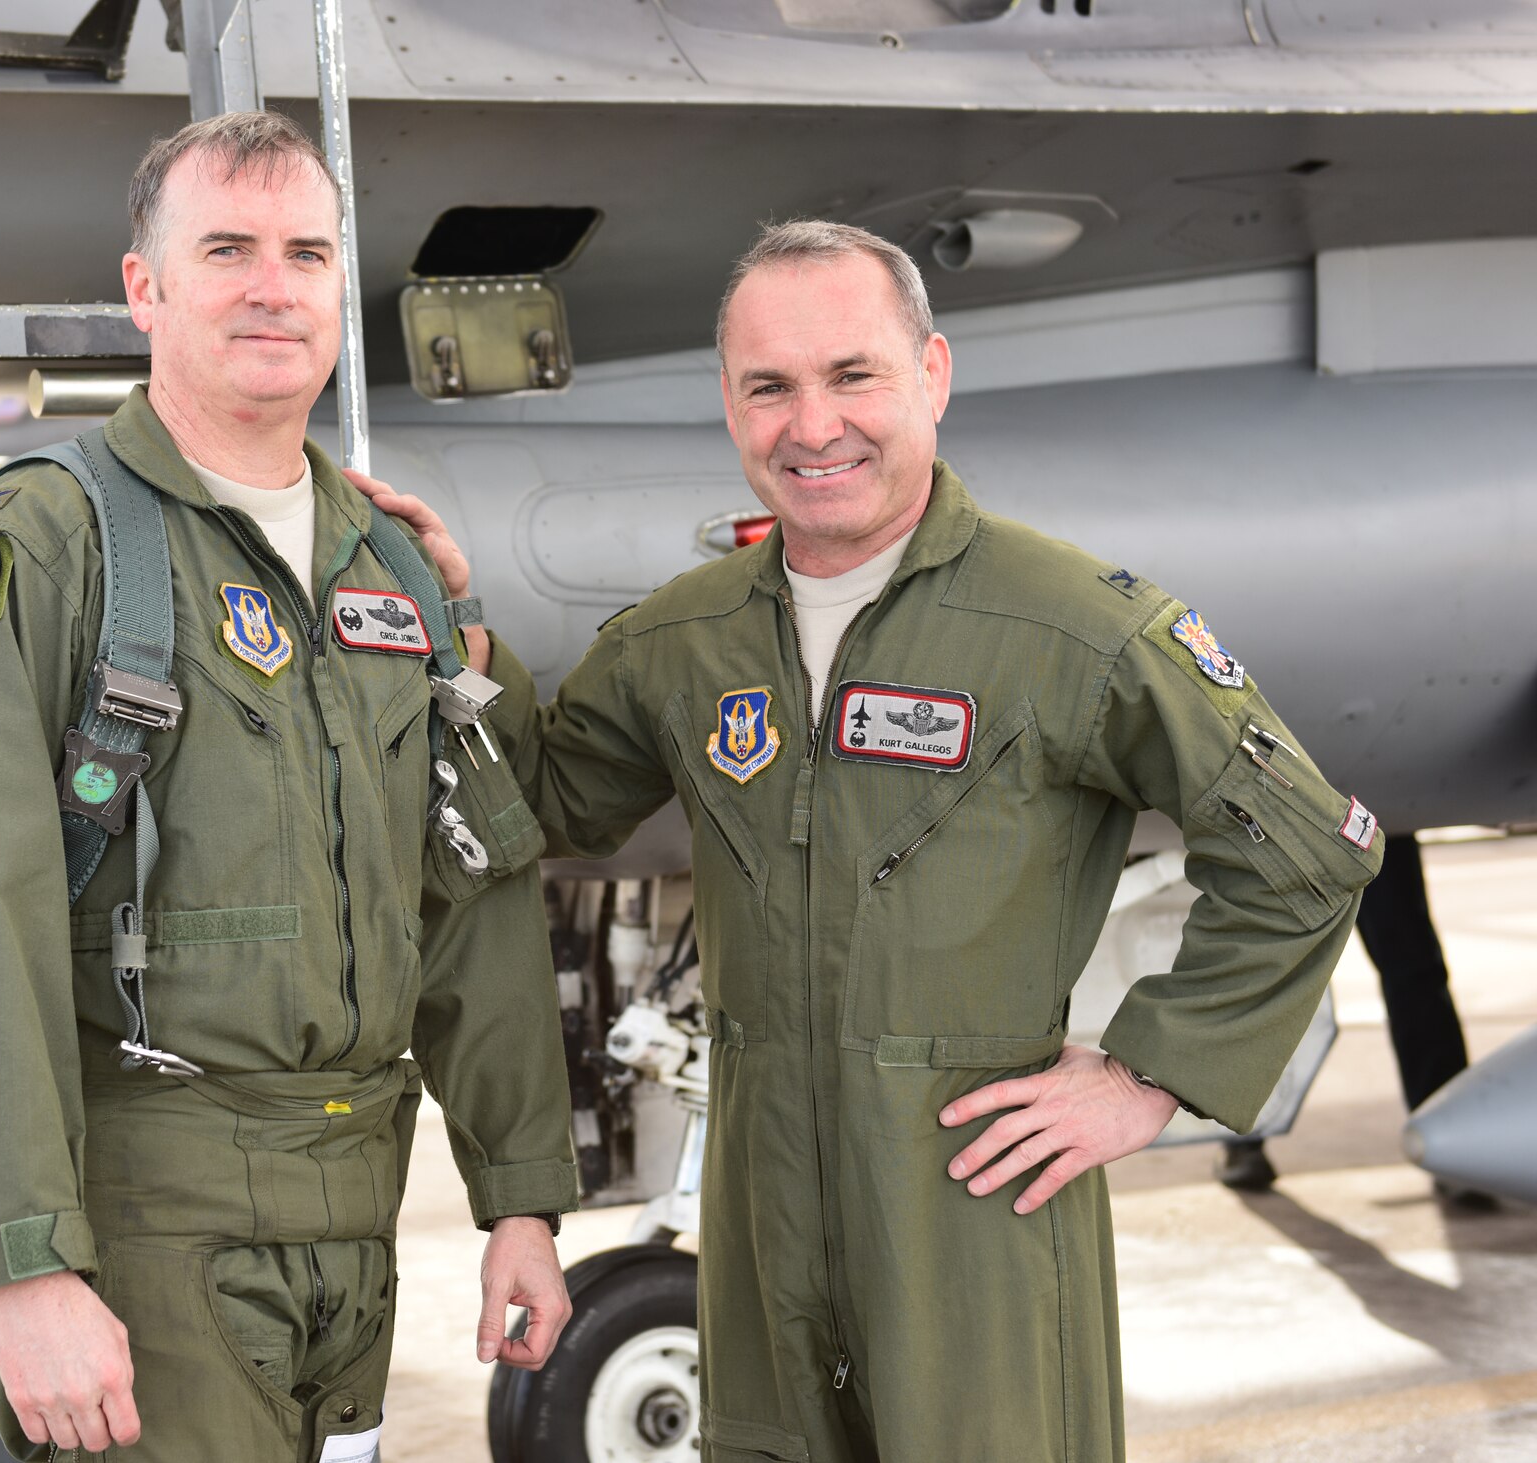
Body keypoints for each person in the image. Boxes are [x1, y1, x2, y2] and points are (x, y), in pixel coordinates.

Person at [365, 220, 1385, 1461]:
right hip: (758, 1223)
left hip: (974, 1217)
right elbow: (540, 803)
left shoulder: (1070, 628)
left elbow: (1304, 849)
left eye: (851, 375)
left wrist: (1143, 1075)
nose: (812, 424)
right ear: (730, 405)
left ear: (931, 375)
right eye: (770, 387)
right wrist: (454, 624)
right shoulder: (681, 643)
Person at [0, 112, 577, 1463]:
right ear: (148, 286)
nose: (271, 284)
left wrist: (519, 1201)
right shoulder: (44, 549)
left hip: (355, 1233)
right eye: (227, 248)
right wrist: (27, 1264)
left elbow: (472, 885)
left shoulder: (394, 573)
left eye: (305, 252)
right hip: (147, 1243)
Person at [1218, 830, 1489, 1202]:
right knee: (1408, 966)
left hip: (1335, 807)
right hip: (1339, 809)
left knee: (1407, 967)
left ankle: (1453, 1142)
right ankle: (1242, 1135)